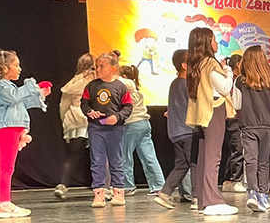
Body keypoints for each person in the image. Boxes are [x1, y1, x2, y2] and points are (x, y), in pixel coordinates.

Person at [0, 49, 49, 217]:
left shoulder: (8, 88)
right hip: (6, 130)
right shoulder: (1, 86)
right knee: (7, 167)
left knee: (3, 167)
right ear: (4, 68)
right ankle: (5, 203)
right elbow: (14, 98)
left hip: (7, 130)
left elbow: (20, 103)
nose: (20, 69)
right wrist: (30, 87)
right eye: (16, 65)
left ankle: (1, 202)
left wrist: (38, 93)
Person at [185, 28, 239, 215]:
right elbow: (224, 87)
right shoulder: (209, 63)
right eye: (214, 40)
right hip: (213, 111)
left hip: (202, 113)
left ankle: (203, 199)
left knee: (204, 157)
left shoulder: (195, 63)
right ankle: (212, 201)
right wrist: (228, 71)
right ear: (206, 43)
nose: (216, 43)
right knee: (213, 157)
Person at [226, 46, 270, 212]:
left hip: (248, 125)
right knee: (264, 161)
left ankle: (252, 193)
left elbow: (237, 104)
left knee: (251, 160)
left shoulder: (240, 81)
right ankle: (264, 194)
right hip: (267, 125)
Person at [80, 50, 134, 208]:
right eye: (97, 66)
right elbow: (84, 103)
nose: (98, 69)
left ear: (113, 69)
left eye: (102, 66)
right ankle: (99, 194)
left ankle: (118, 192)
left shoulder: (121, 87)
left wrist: (117, 117)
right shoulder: (91, 86)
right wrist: (89, 112)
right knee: (97, 161)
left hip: (115, 129)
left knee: (116, 160)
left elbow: (128, 107)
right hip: (96, 128)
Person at [154, 49, 199, 210]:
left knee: (182, 164)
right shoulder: (187, 84)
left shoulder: (174, 84)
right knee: (194, 163)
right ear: (184, 65)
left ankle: (165, 193)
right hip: (188, 131)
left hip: (176, 132)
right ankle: (197, 197)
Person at [117, 65, 166, 196]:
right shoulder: (137, 91)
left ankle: (127, 186)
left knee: (124, 156)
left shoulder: (128, 88)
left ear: (124, 77)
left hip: (131, 125)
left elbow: (124, 83)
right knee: (149, 156)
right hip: (144, 124)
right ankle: (158, 185)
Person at [54, 53, 94, 199]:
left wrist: (66, 123)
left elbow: (63, 107)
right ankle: (103, 187)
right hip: (91, 121)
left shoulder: (71, 84)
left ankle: (62, 184)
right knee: (99, 155)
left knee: (73, 156)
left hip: (75, 122)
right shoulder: (94, 81)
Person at [220, 54, 246, 192]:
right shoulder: (233, 80)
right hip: (232, 117)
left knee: (233, 150)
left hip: (232, 118)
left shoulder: (236, 79)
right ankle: (236, 180)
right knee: (237, 148)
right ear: (238, 65)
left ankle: (228, 180)